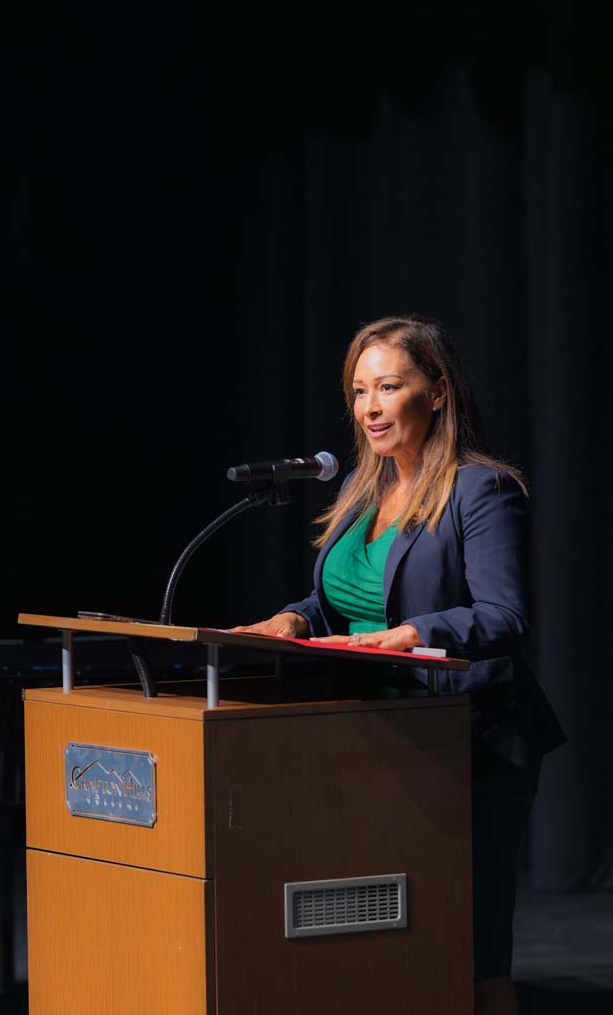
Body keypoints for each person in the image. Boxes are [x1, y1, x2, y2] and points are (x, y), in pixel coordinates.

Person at [231, 314, 565, 1015]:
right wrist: (296, 616)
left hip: (469, 738)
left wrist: (414, 632)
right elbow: (349, 602)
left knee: (471, 945)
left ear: (437, 392)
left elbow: (504, 616)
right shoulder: (362, 487)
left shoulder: (481, 489)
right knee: (388, 939)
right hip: (374, 737)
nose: (371, 408)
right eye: (359, 391)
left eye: (389, 386)